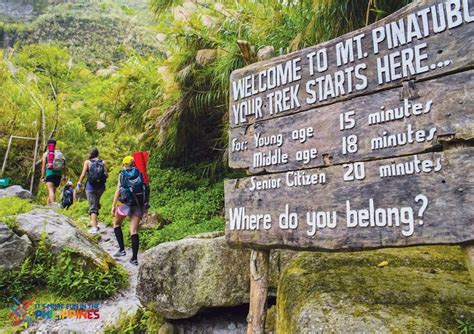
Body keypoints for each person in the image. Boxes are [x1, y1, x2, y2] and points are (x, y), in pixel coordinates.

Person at [111, 156, 147, 266]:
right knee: (134, 230)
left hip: (124, 204)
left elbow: (118, 190)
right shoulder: (141, 173)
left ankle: (122, 250)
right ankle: (134, 258)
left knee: (116, 224)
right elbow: (146, 189)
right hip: (138, 204)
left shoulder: (122, 174)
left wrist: (113, 205)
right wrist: (146, 206)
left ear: (125, 164)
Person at [77, 148, 107, 234]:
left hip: (91, 187)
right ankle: (95, 223)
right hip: (101, 187)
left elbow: (83, 174)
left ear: (90, 154)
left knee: (93, 207)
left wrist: (79, 182)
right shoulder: (103, 162)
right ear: (98, 154)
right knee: (95, 204)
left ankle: (94, 228)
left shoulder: (87, 162)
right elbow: (106, 174)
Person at [41, 139, 66, 205]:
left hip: (50, 173)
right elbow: (64, 165)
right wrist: (64, 175)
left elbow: (43, 166)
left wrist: (42, 176)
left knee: (50, 190)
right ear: (55, 145)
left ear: (48, 145)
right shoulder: (60, 153)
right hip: (58, 174)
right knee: (52, 192)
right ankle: (48, 206)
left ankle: (52, 205)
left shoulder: (46, 154)